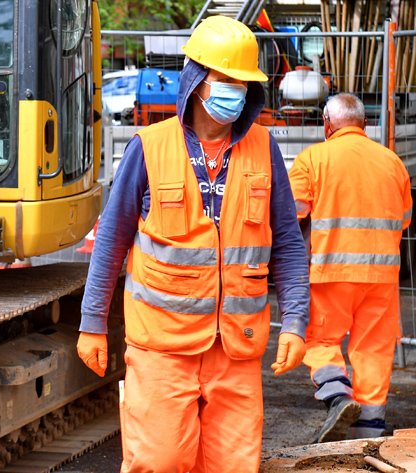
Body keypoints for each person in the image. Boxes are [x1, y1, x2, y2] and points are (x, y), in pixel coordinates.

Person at [76, 16, 310, 473]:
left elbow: (286, 242)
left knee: (233, 466)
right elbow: (112, 241)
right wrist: (92, 322)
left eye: (243, 82)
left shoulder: (264, 149)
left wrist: (296, 321)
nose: (235, 92)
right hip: (162, 349)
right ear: (197, 80)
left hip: (236, 350)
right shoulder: (149, 147)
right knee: (159, 462)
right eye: (226, 80)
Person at [288, 92, 413, 443]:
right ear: (365, 124)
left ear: (327, 124)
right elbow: (404, 219)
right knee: (374, 347)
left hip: (330, 272)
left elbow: (290, 216)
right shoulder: (392, 162)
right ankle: (369, 430)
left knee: (320, 337)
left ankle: (337, 395)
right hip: (382, 275)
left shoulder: (313, 159)